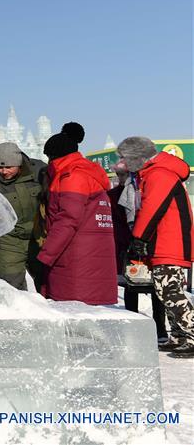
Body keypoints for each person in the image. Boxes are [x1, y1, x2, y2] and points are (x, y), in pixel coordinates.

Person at [119, 136, 194, 358]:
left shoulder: (160, 174)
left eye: (126, 158)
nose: (124, 163)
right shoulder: (153, 173)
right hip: (164, 240)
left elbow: (152, 208)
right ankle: (180, 336)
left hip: (171, 241)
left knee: (169, 290)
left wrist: (139, 238)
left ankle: (191, 334)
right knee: (165, 290)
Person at [36, 133, 117, 305]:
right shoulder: (89, 173)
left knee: (75, 314)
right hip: (93, 252)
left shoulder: (72, 176)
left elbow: (68, 219)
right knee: (90, 312)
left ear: (54, 155)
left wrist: (46, 255)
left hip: (76, 256)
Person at [107, 160, 168, 340]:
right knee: (130, 285)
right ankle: (133, 327)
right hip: (126, 245)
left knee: (155, 285)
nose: (121, 178)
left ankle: (160, 329)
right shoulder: (113, 195)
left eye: (124, 174)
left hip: (147, 243)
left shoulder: (144, 191)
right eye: (118, 174)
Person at [0, 142, 45, 290]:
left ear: (19, 164)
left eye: (8, 167)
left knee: (48, 281)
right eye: (0, 167)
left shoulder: (39, 170)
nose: (4, 171)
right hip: (8, 240)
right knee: (12, 285)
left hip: (39, 238)